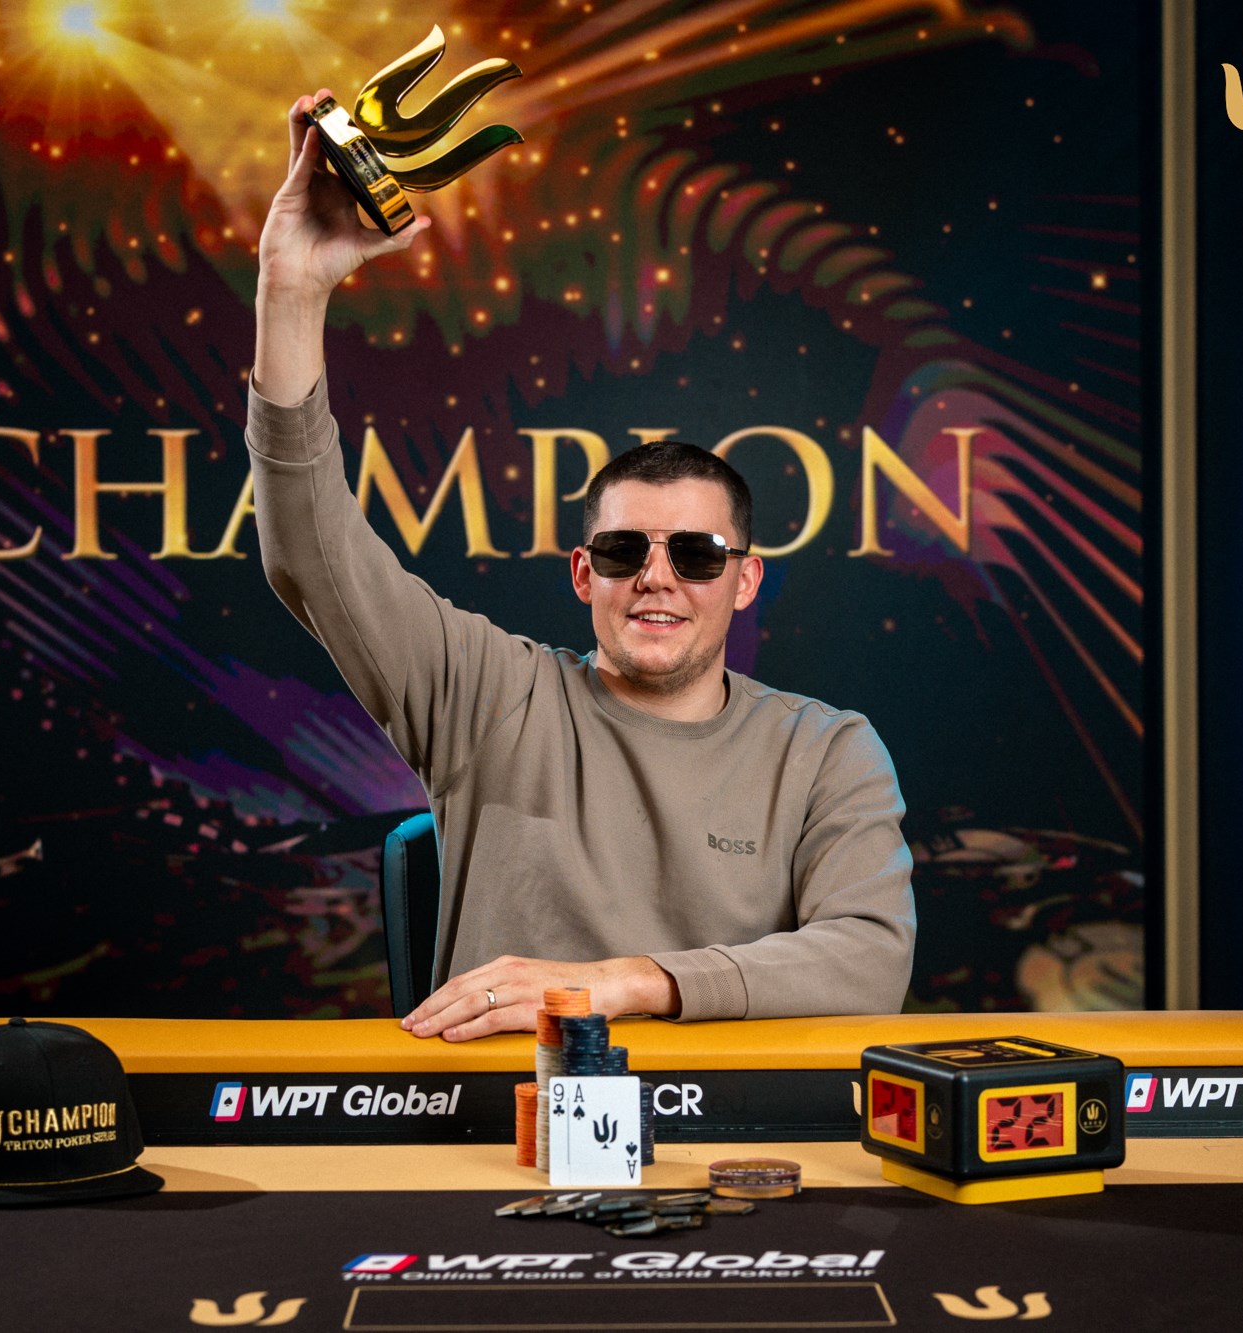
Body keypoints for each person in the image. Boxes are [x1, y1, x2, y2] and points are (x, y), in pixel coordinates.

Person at [249, 92, 914, 1042]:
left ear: (745, 580)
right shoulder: (487, 697)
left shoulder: (827, 750)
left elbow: (870, 958)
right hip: (505, 1113)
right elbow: (311, 555)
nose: (656, 577)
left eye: (696, 554)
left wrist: (623, 983)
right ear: (582, 573)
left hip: (735, 1122)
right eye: (623, 549)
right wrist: (291, 290)